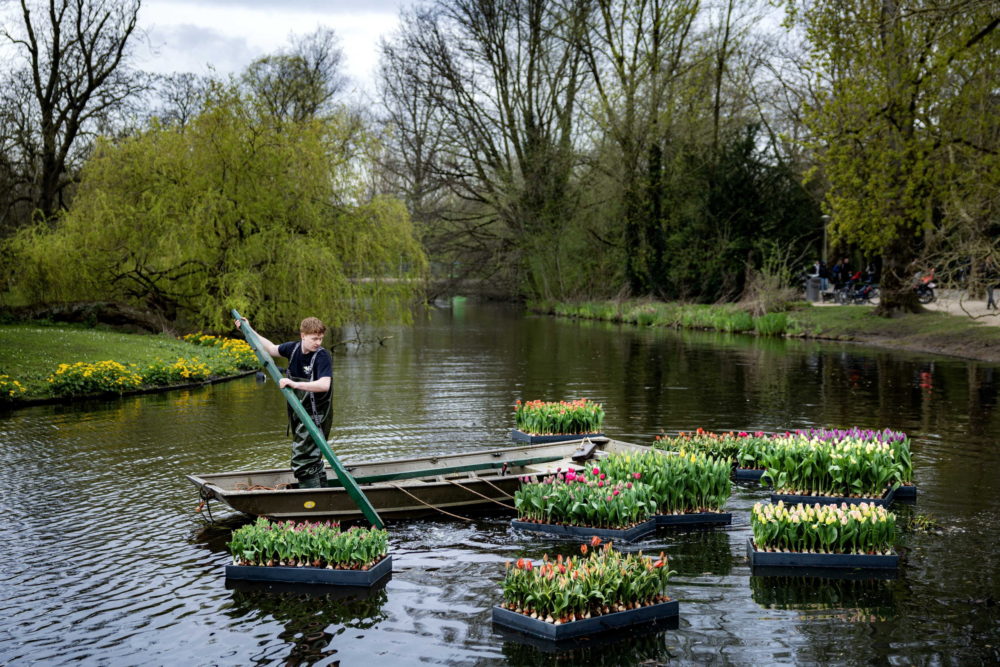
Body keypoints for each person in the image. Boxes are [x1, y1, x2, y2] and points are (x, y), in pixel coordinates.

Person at [236, 316, 333, 489]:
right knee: (309, 457)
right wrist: (248, 330)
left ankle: (313, 497)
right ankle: (320, 490)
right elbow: (271, 348)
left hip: (317, 414)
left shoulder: (322, 356)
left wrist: (294, 384)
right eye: (314, 338)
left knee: (303, 458)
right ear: (303, 335)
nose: (318, 342)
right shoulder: (293, 348)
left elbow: (324, 385)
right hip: (298, 412)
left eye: (320, 338)